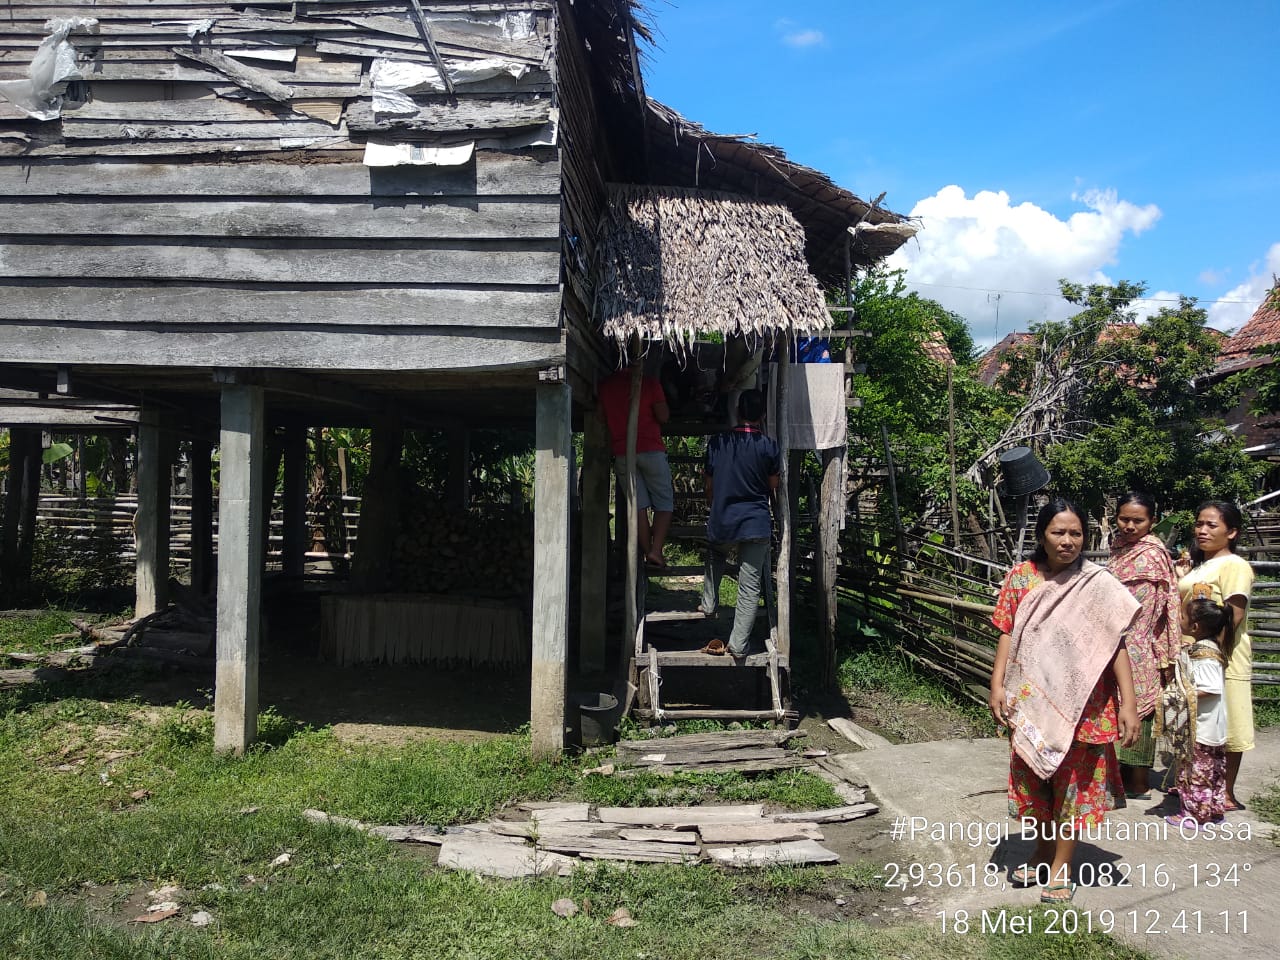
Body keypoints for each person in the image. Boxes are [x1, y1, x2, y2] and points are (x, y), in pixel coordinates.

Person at [988, 497, 1141, 905]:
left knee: (1073, 787)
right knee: (1036, 782)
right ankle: (1041, 850)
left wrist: (1128, 702)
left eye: (1076, 533)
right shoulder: (1021, 579)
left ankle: (1060, 867)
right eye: (1059, 532)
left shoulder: (1098, 585)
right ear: (1042, 535)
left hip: (1086, 706)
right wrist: (997, 684)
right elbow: (1007, 632)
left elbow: (1116, 646)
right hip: (1031, 700)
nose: (1068, 540)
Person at [1175, 500, 1254, 811]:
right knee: (1198, 721)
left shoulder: (1234, 565)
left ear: (1231, 532)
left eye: (1212, 525)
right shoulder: (1201, 565)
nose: (1202, 530)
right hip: (1193, 655)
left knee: (1227, 722)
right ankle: (1198, 785)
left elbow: (1232, 615)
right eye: (1199, 524)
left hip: (1221, 658)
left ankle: (1226, 792)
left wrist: (1212, 654)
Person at [1108, 491, 1181, 799]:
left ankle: (1138, 782)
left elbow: (1169, 605)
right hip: (1115, 640)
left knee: (1142, 710)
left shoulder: (1153, 554)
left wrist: (1166, 651)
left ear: (1152, 521)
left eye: (1138, 520)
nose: (1129, 526)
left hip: (1141, 643)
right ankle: (1118, 777)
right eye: (1124, 519)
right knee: (1115, 707)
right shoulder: (1118, 548)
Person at [699, 389, 780, 658]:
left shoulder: (718, 444)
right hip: (756, 522)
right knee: (750, 585)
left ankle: (709, 604)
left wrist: (716, 504)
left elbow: (709, 485)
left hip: (723, 518)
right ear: (763, 415)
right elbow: (773, 486)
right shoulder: (769, 446)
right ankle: (738, 645)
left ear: (738, 411)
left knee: (715, 555)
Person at [597, 358, 674, 569]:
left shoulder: (606, 386)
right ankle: (656, 550)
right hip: (651, 449)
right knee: (664, 502)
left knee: (637, 506)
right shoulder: (648, 383)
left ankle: (647, 550)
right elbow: (664, 416)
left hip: (623, 452)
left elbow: (601, 418)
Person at [1168, 589, 1233, 829]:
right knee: (1212, 770)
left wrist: (1178, 696)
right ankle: (1213, 810)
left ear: (1195, 627)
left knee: (1197, 770)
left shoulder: (1205, 654)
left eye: (1183, 617)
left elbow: (1211, 688)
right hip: (1211, 725)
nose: (1179, 620)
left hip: (1203, 726)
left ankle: (1195, 814)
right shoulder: (1205, 648)